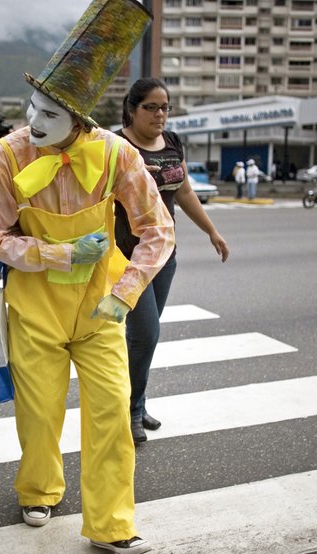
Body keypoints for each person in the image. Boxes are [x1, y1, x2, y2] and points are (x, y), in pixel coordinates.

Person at [0, 0, 171, 554]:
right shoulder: (5, 158)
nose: (34, 122)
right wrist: (60, 253)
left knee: (112, 411)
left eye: (51, 114)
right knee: (39, 413)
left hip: (98, 307)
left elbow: (157, 228)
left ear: (80, 121)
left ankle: (111, 523)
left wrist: (126, 292)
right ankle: (38, 488)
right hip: (33, 306)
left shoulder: (115, 155)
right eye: (32, 107)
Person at [116, 77, 229, 444]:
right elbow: (93, 191)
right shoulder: (116, 144)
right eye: (151, 107)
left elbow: (183, 191)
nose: (160, 114)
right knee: (145, 334)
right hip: (127, 257)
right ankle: (130, 410)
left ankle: (138, 401)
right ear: (132, 109)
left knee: (143, 339)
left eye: (165, 107)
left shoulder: (173, 142)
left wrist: (212, 231)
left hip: (165, 254)